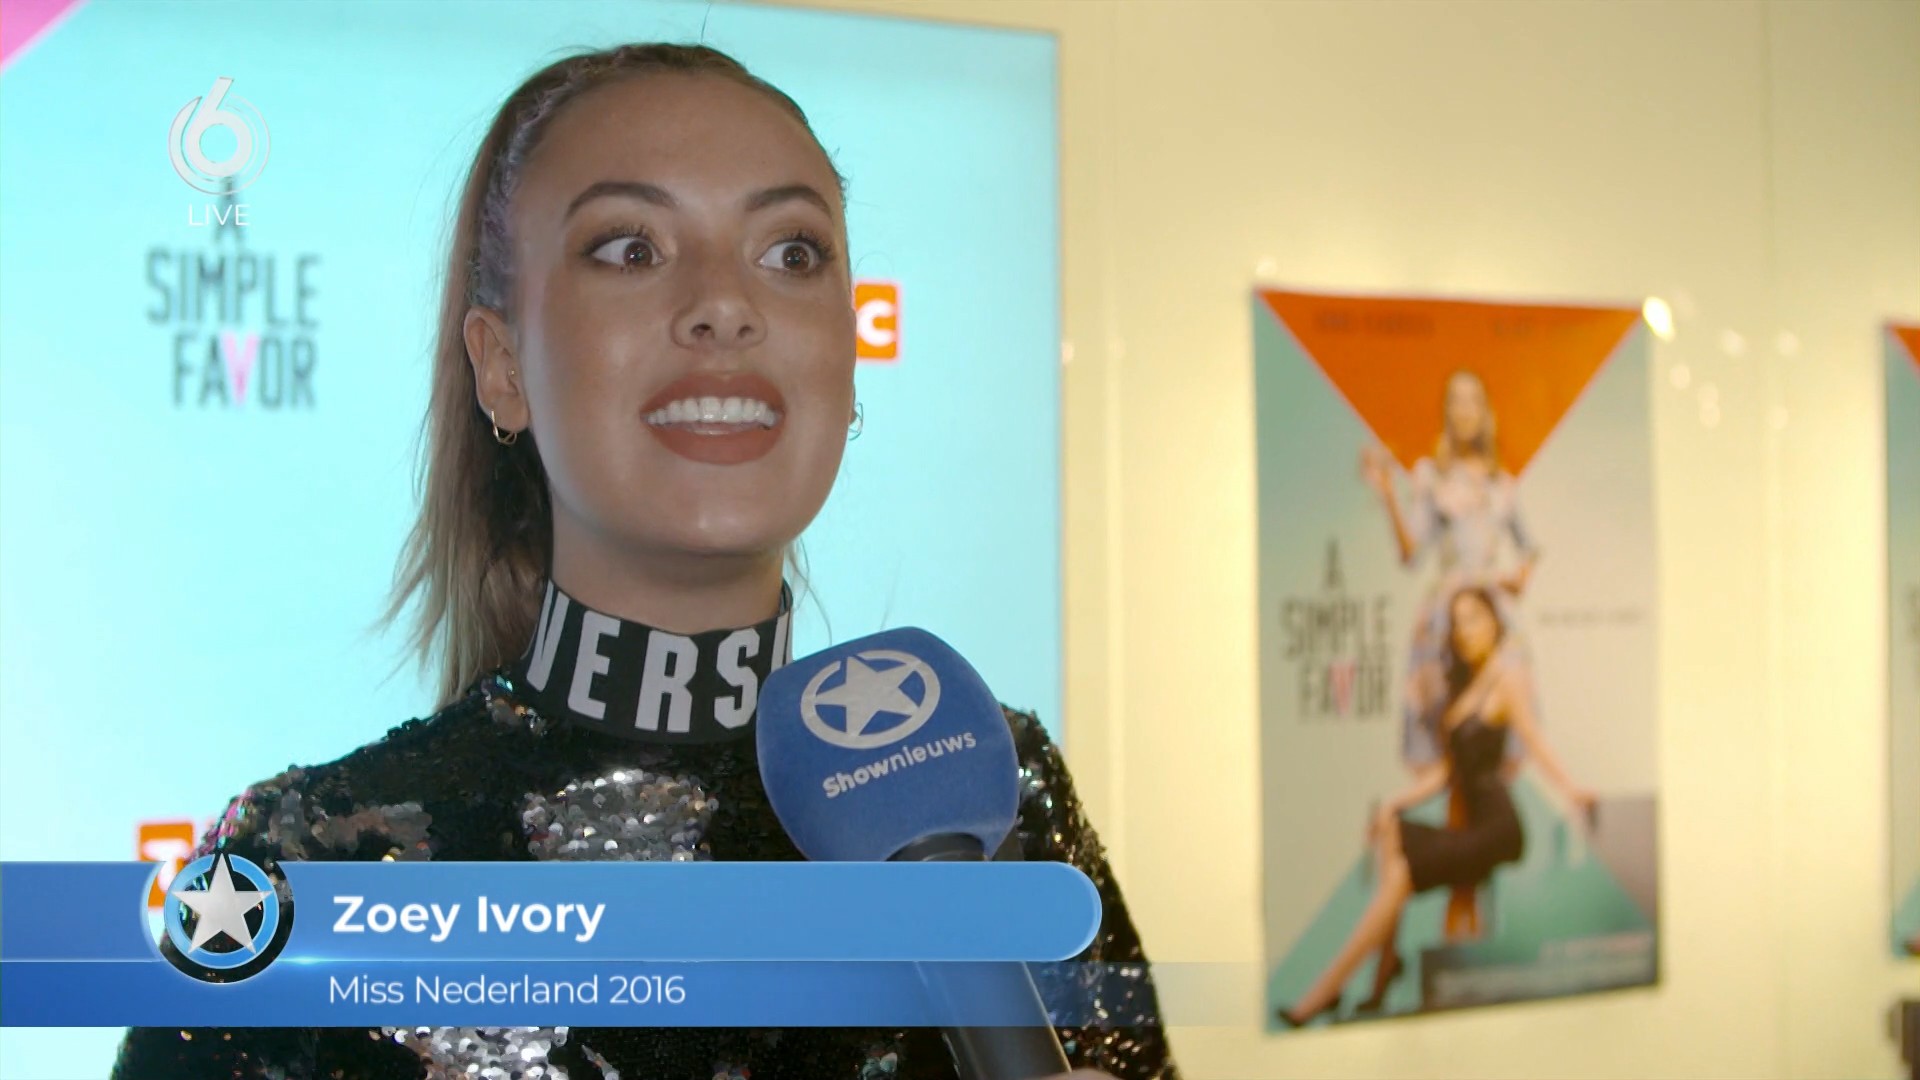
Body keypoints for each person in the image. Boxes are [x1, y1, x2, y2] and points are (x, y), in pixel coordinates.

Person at [111, 43, 1176, 1080]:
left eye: (792, 253)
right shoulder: (301, 870)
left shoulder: (997, 803)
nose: (725, 305)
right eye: (630, 249)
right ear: (501, 366)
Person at [1275, 587, 1595, 1027]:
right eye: (1458, 622)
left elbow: (1534, 742)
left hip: (1497, 829)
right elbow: (1448, 772)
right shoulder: (1467, 686)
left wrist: (1572, 790)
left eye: (1474, 618)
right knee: (1393, 830)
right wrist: (1393, 802)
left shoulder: (1508, 678)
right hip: (1473, 826)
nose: (1465, 630)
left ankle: (1324, 994)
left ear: (1495, 622)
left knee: (1401, 872)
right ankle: (1383, 970)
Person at [1361, 369, 1541, 773]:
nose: (1464, 410)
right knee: (1448, 722)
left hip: (1492, 609)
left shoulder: (1501, 482)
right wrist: (1389, 495)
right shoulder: (1432, 475)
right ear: (1447, 411)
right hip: (1449, 611)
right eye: (1456, 401)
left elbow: (1529, 547)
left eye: (1472, 400)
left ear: (1485, 411)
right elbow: (1412, 553)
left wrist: (1518, 579)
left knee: (1504, 717)